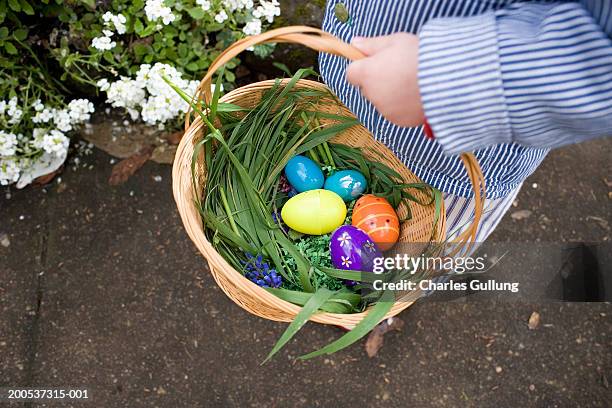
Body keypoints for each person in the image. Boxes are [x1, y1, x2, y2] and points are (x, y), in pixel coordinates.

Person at [319, 0, 612, 243]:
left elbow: (599, 55)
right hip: (350, 76)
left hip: (452, 159)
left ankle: (397, 291)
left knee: (426, 252)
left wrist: (440, 74)